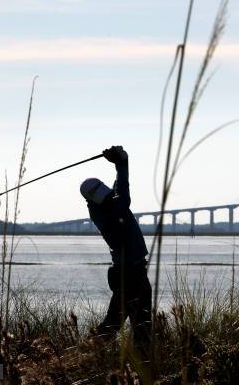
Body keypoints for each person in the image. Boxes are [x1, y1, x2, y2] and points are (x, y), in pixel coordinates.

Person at [80, 146, 151, 352]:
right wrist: (122, 163)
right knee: (136, 320)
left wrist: (119, 162)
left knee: (119, 321)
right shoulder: (111, 211)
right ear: (92, 200)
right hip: (130, 273)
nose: (107, 195)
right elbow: (122, 192)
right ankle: (142, 358)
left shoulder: (103, 206)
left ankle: (89, 352)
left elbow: (118, 190)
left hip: (129, 271)